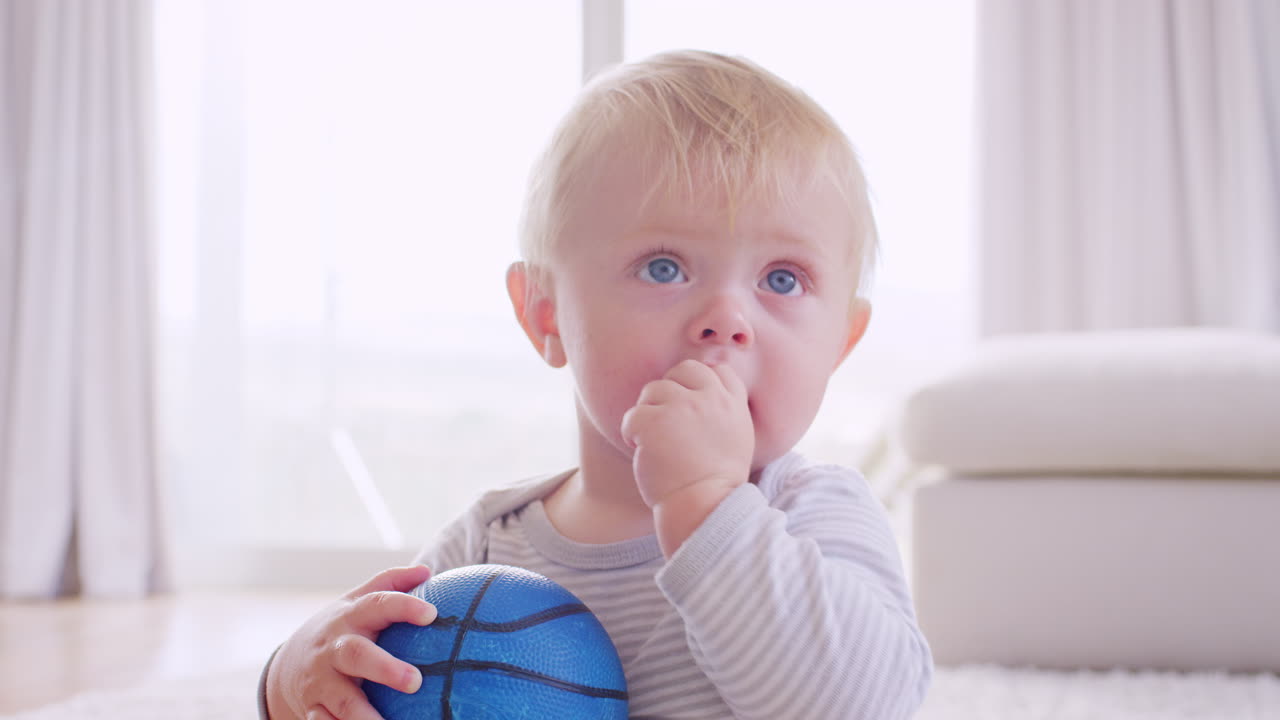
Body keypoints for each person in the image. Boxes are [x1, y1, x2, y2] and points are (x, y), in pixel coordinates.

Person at [261, 49, 932, 720]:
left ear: (841, 343)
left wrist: (708, 506)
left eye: (782, 279)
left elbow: (867, 704)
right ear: (544, 313)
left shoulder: (811, 515)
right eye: (664, 268)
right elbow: (378, 678)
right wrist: (291, 677)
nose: (726, 320)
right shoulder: (487, 545)